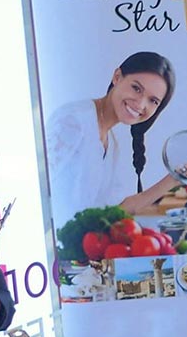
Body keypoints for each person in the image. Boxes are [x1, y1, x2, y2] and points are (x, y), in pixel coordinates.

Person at [45, 51, 178, 228]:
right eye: (136, 88)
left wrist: (173, 179)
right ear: (117, 77)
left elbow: (114, 213)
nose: (140, 104)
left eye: (153, 101)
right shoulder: (73, 121)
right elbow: (43, 197)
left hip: (82, 249)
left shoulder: (112, 144)